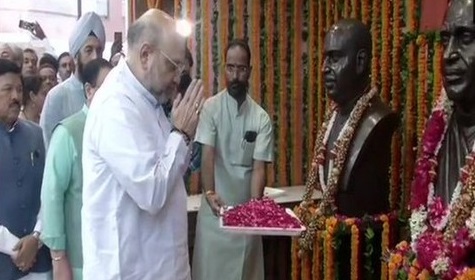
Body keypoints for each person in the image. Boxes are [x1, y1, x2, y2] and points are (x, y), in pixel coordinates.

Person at [81, 9, 204, 280]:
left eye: (182, 68)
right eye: (173, 66)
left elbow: (170, 174)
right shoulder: (115, 106)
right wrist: (181, 133)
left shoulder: (149, 101)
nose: (177, 77)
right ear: (145, 55)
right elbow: (152, 192)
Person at [297, 19, 398, 279]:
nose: (324, 69)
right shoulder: (334, 116)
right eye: (324, 59)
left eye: (334, 58)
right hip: (331, 251)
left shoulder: (378, 120)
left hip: (363, 255)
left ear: (361, 61)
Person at [192, 39, 274, 280]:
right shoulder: (211, 108)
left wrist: (254, 208)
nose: (235, 75)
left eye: (240, 68)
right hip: (213, 216)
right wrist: (209, 192)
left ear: (249, 71)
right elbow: (207, 154)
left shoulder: (261, 118)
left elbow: (259, 168)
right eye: (230, 68)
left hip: (245, 219)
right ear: (223, 70)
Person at [41, 58, 112, 280]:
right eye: (107, 88)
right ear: (89, 90)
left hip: (114, 254)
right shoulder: (68, 132)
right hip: (78, 260)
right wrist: (59, 258)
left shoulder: (120, 131)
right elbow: (51, 196)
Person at [0, 59, 51, 279]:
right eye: (7, 89)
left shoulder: (36, 134)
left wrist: (36, 237)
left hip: (39, 259)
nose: (15, 97)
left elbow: (50, 192)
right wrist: (13, 247)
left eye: (19, 90)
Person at [39, 11, 105, 148]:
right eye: (89, 50)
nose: (95, 57)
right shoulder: (57, 96)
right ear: (75, 56)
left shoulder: (108, 92)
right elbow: (49, 147)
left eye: (99, 50)